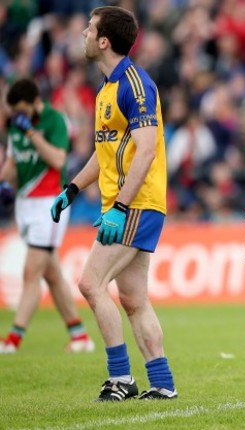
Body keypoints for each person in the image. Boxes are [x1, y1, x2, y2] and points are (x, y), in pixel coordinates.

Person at [49, 6, 177, 401]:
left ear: (104, 40)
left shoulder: (135, 84)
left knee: (91, 283)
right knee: (134, 300)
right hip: (125, 203)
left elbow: (145, 153)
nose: (84, 34)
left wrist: (119, 208)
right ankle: (163, 383)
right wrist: (72, 188)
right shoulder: (107, 87)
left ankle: (120, 378)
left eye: (89, 29)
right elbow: (103, 153)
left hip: (136, 203)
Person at [0, 78, 94, 354]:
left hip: (48, 205)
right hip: (25, 203)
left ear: (33, 103)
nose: (18, 116)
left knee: (32, 272)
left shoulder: (55, 121)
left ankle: (13, 340)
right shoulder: (16, 125)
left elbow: (58, 159)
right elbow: (13, 162)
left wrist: (32, 134)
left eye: (21, 110)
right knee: (51, 273)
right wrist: (4, 182)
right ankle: (79, 336)